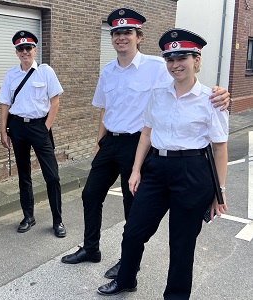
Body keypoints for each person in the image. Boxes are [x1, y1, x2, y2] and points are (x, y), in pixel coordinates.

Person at [61, 7, 230, 277]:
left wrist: (221, 94)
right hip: (110, 143)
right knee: (90, 194)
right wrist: (98, 142)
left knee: (134, 206)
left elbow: (186, 83)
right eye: (116, 32)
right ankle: (91, 248)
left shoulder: (156, 67)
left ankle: (128, 264)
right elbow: (105, 110)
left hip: (138, 144)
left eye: (127, 32)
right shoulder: (107, 71)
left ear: (139, 36)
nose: (121, 37)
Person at [97, 28, 229, 299]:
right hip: (156, 168)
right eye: (170, 59)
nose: (175, 64)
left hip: (192, 173)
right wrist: (136, 170)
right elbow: (146, 133)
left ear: (197, 61)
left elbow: (219, 148)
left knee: (181, 244)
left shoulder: (211, 100)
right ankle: (126, 279)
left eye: (182, 57)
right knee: (133, 230)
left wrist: (219, 191)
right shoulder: (158, 92)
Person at [0, 30, 66, 238]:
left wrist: (45, 127)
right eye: (21, 49)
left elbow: (55, 102)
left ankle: (57, 220)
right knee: (24, 175)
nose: (25, 52)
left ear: (35, 50)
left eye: (28, 48)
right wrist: (3, 130)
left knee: (52, 176)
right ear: (16, 52)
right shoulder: (11, 74)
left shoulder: (46, 72)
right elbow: (5, 105)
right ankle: (28, 216)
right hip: (17, 127)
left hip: (39, 127)